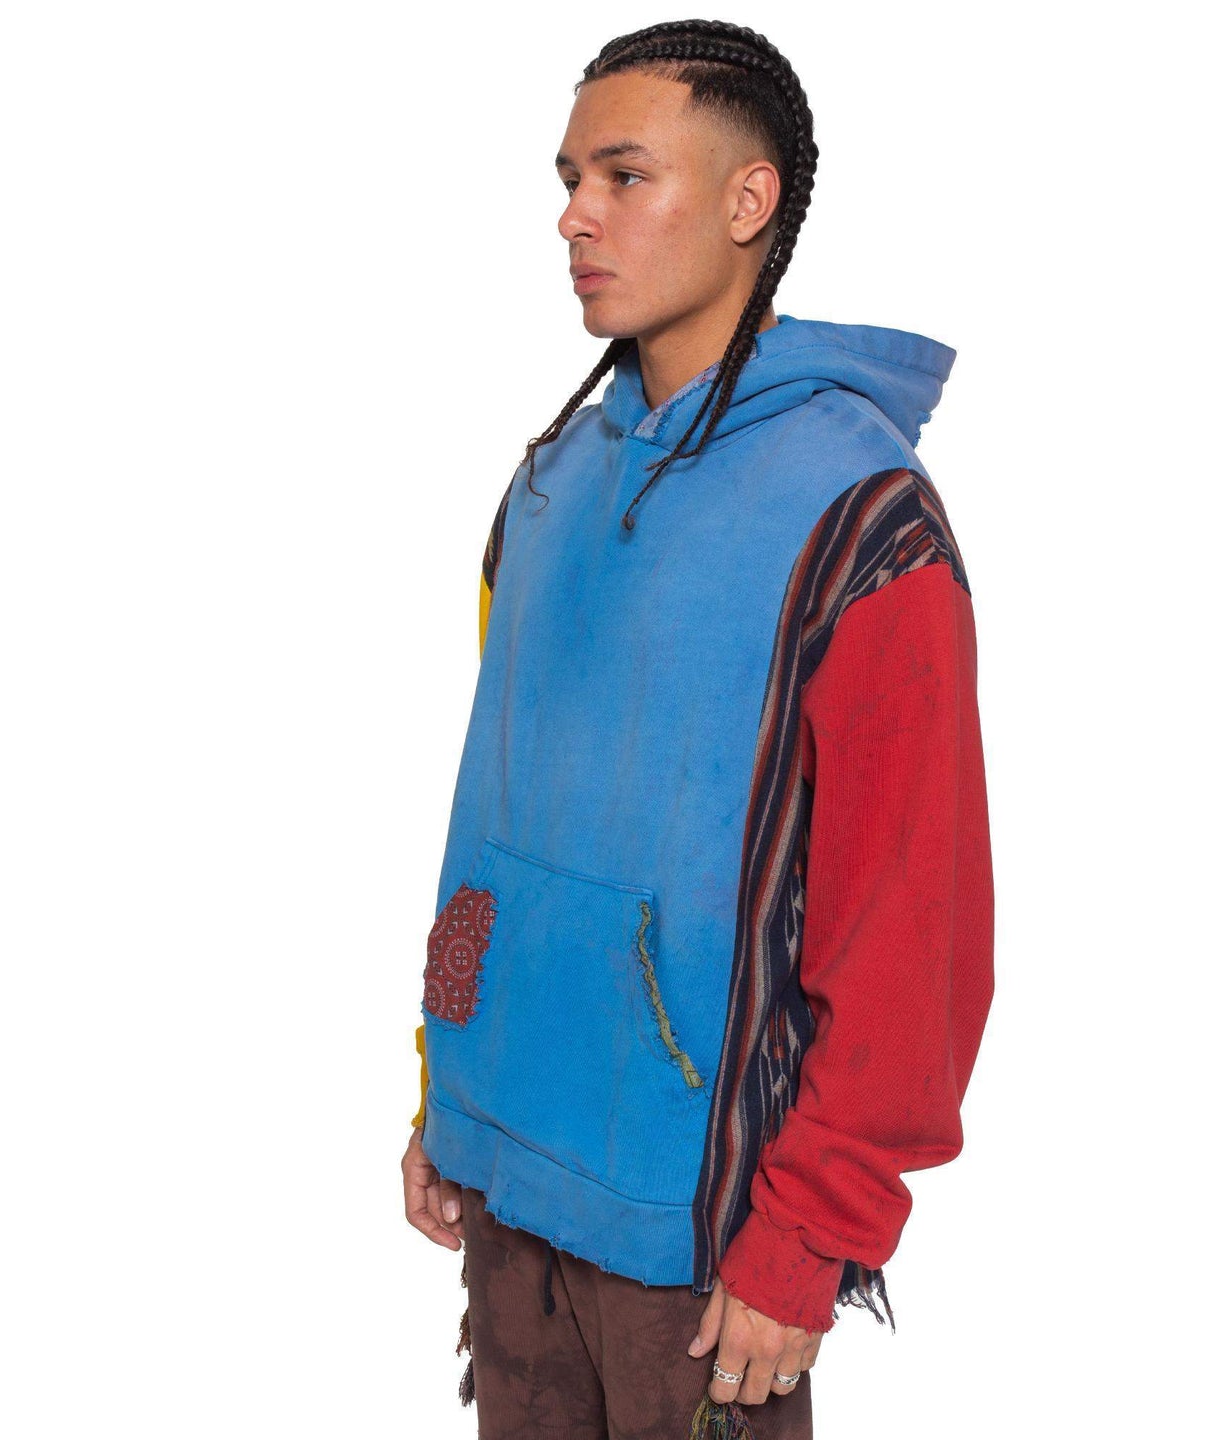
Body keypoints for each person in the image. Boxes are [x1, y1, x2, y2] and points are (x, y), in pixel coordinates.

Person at [400, 19, 995, 1438]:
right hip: (510, 1186)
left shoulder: (860, 517)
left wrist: (818, 1226)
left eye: (624, 177)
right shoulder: (550, 479)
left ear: (748, 201)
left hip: (705, 1239)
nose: (575, 217)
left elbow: (913, 920)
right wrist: (445, 1088)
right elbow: (497, 811)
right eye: (568, 180)